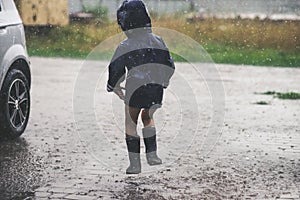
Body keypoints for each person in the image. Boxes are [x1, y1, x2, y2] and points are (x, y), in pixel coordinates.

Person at [107, 0, 175, 174]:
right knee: (148, 117)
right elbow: (169, 64)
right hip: (155, 88)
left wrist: (114, 85)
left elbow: (115, 68)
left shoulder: (125, 46)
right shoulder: (158, 41)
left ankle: (135, 165)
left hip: (135, 88)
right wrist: (164, 81)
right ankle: (152, 155)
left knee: (131, 122)